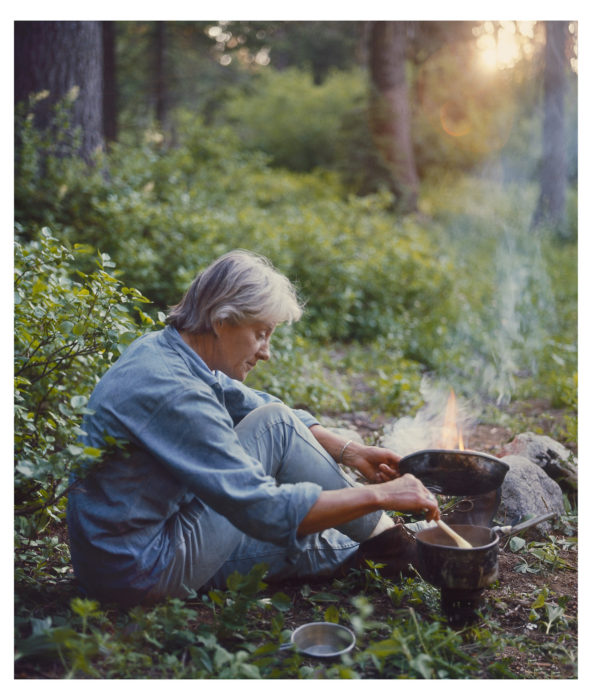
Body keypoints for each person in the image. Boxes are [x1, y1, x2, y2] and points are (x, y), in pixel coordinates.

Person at [67, 250, 439, 606]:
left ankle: (384, 544)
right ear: (222, 321)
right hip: (139, 569)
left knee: (282, 435)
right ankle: (394, 546)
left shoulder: (165, 350)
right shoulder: (177, 393)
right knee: (282, 445)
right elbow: (263, 509)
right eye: (261, 333)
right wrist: (383, 495)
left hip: (121, 551)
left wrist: (351, 451)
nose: (266, 351)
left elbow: (255, 403)